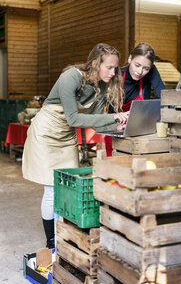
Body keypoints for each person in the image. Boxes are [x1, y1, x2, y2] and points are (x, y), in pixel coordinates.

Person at [22, 43, 128, 249]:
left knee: (68, 185)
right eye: (109, 67)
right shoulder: (71, 77)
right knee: (52, 189)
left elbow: (96, 119)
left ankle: (64, 233)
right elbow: (73, 119)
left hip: (66, 137)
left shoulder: (104, 86)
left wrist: (121, 123)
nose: (113, 72)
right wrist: (114, 117)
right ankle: (52, 242)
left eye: (115, 68)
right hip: (46, 134)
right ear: (96, 63)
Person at [105, 43, 165, 156]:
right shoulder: (116, 76)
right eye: (137, 65)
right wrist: (115, 127)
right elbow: (110, 111)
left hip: (140, 129)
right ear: (129, 59)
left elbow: (163, 95)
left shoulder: (150, 72)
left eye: (146, 68)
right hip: (116, 129)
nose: (140, 72)